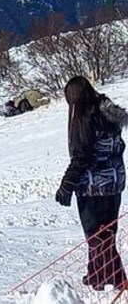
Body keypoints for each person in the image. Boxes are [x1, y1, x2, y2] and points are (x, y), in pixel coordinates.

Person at [56, 76, 128, 290]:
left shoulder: (85, 117)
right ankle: (96, 274)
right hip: (114, 183)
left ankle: (114, 280)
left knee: (96, 236)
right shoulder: (107, 114)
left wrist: (66, 186)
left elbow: (82, 157)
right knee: (106, 233)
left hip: (93, 186)